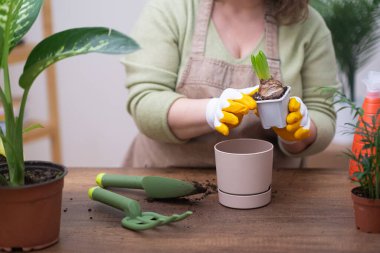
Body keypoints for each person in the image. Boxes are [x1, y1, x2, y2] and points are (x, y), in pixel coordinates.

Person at [122, 0, 340, 168]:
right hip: (163, 180)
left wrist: (300, 130)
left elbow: (322, 112)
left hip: (273, 188)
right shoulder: (172, 9)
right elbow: (145, 100)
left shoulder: (307, 24)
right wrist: (212, 111)